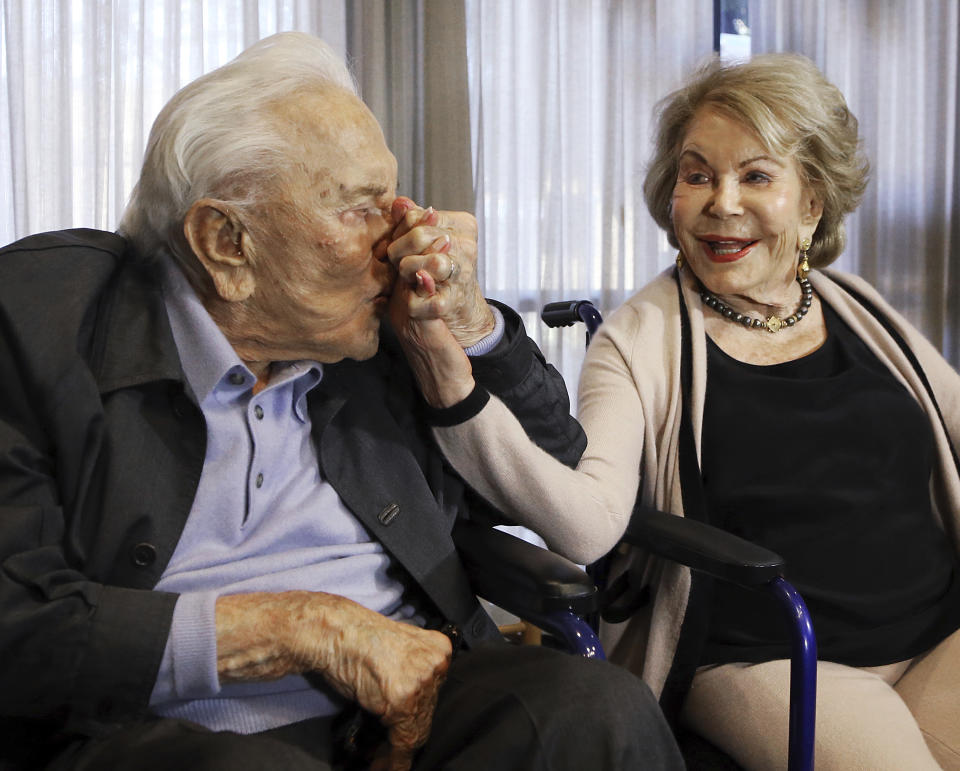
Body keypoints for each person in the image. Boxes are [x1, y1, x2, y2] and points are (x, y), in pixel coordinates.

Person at [0, 32, 684, 771]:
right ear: (225, 242)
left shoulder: (371, 335)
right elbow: (20, 622)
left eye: (392, 200)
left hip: (400, 706)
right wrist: (306, 626)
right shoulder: (38, 323)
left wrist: (472, 324)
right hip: (150, 730)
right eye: (360, 208)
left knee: (601, 712)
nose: (401, 242)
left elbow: (560, 473)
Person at [421, 54, 960, 770]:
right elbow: (587, 519)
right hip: (775, 655)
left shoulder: (858, 308)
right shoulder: (639, 338)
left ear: (812, 205)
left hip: (935, 632)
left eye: (756, 175)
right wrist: (459, 396)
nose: (722, 202)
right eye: (698, 174)